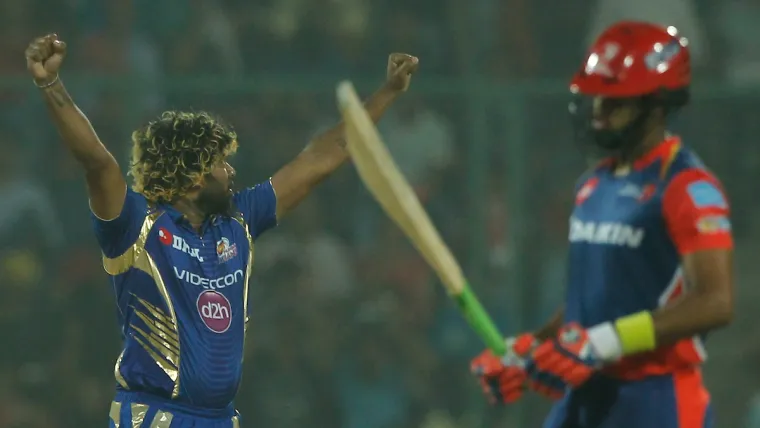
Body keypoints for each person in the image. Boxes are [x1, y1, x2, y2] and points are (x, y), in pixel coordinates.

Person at [25, 33, 418, 427]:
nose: (231, 171)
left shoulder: (238, 222)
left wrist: (387, 92)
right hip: (153, 417)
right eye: (219, 163)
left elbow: (320, 159)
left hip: (220, 419)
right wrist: (50, 83)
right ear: (192, 175)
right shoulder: (136, 225)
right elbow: (97, 161)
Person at [470, 21, 733, 428]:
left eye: (615, 103)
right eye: (597, 100)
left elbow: (715, 302)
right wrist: (529, 351)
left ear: (656, 105)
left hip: (655, 401)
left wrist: (602, 342)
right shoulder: (592, 184)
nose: (598, 114)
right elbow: (590, 302)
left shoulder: (686, 186)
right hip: (585, 398)